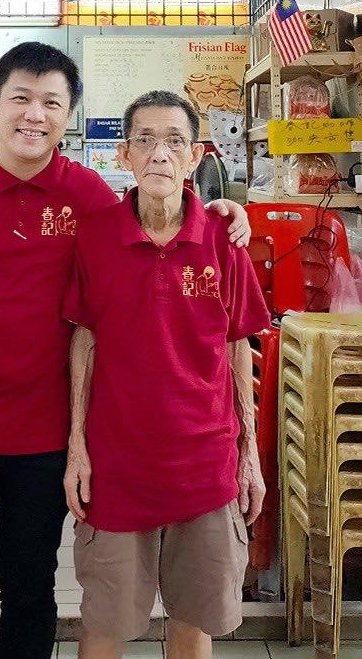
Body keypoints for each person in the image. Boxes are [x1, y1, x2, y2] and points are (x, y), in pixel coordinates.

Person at [0, 43, 251, 659]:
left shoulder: (88, 196)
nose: (33, 115)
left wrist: (223, 212)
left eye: (51, 102)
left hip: (44, 444)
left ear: (68, 115)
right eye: (20, 98)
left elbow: (159, 219)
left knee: (31, 597)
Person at [63, 89, 271, 659]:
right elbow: (84, 339)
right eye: (146, 141)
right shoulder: (97, 236)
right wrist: (76, 448)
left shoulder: (225, 243)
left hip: (205, 466)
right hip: (116, 467)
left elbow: (237, 346)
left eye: (175, 141)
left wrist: (248, 454)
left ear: (196, 154)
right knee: (104, 624)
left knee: (193, 619)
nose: (160, 154)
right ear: (124, 154)